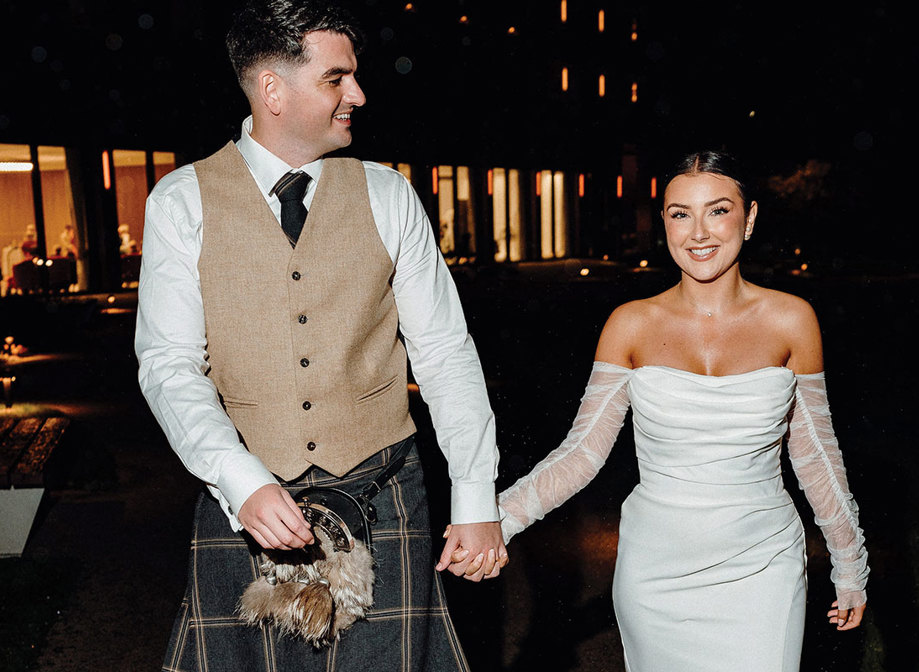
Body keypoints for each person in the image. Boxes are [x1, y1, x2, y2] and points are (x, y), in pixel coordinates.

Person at [135, 2, 506, 670]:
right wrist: (239, 480)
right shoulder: (180, 200)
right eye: (337, 78)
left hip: (383, 492)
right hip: (247, 498)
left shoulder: (389, 196)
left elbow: (446, 353)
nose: (358, 94)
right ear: (273, 90)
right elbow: (167, 365)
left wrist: (476, 499)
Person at [453, 151, 870, 671]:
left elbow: (816, 455)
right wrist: (495, 518)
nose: (698, 232)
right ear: (664, 222)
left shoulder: (792, 321)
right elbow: (581, 454)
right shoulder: (631, 325)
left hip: (763, 563)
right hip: (657, 570)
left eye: (718, 211)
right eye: (680, 214)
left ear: (751, 217)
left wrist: (849, 564)